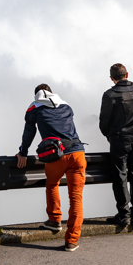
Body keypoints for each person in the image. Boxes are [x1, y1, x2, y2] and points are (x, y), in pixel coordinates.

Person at [16, 84, 87, 252]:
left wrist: (23, 152)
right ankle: (71, 241)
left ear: (37, 95)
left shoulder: (34, 107)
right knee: (76, 198)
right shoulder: (66, 104)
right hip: (77, 153)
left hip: (57, 155)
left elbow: (29, 131)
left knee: (52, 184)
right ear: (51, 92)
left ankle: (55, 220)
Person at [99, 63, 133, 227]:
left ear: (112, 78)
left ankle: (124, 214)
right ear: (127, 74)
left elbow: (104, 120)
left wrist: (107, 134)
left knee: (120, 176)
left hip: (119, 139)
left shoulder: (110, 94)